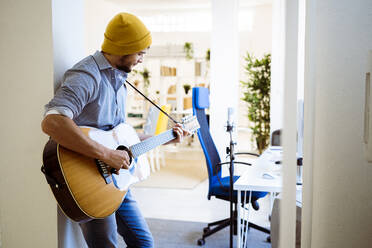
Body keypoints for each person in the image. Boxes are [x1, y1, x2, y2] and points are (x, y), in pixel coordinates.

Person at [41, 12, 188, 248]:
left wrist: (166, 139)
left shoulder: (120, 80)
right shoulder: (87, 75)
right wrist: (107, 155)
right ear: (123, 48)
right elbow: (52, 122)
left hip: (117, 181)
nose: (141, 59)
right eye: (139, 53)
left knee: (143, 243)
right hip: (89, 181)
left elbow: (121, 138)